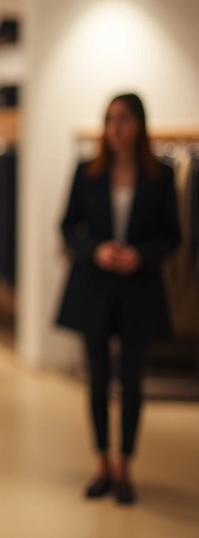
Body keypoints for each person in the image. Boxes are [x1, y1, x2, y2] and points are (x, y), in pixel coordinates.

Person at [56, 93, 179, 506]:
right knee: (95, 381)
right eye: (109, 119)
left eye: (123, 119)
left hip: (138, 290)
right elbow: (68, 227)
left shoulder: (161, 175)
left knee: (132, 383)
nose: (115, 127)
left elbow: (174, 237)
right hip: (94, 287)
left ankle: (125, 466)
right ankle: (102, 464)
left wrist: (140, 255)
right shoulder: (87, 172)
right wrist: (97, 250)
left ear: (139, 125)